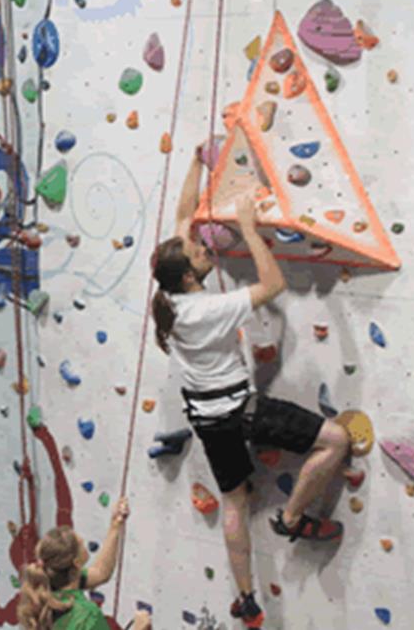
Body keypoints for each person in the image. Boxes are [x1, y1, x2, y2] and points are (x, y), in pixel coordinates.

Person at [150, 152, 350, 628]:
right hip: (242, 412)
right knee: (337, 440)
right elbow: (274, 284)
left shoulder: (169, 298)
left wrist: (199, 161)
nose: (205, 249)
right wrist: (250, 227)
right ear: (189, 276)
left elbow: (183, 216)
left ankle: (246, 600)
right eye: (200, 254)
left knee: (235, 501)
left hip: (208, 420)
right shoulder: (205, 309)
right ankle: (294, 518)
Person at [17, 497, 150, 630]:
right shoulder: (86, 615)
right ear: (76, 562)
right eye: (81, 544)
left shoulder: (45, 589)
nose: (83, 543)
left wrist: (115, 525)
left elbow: (101, 572)